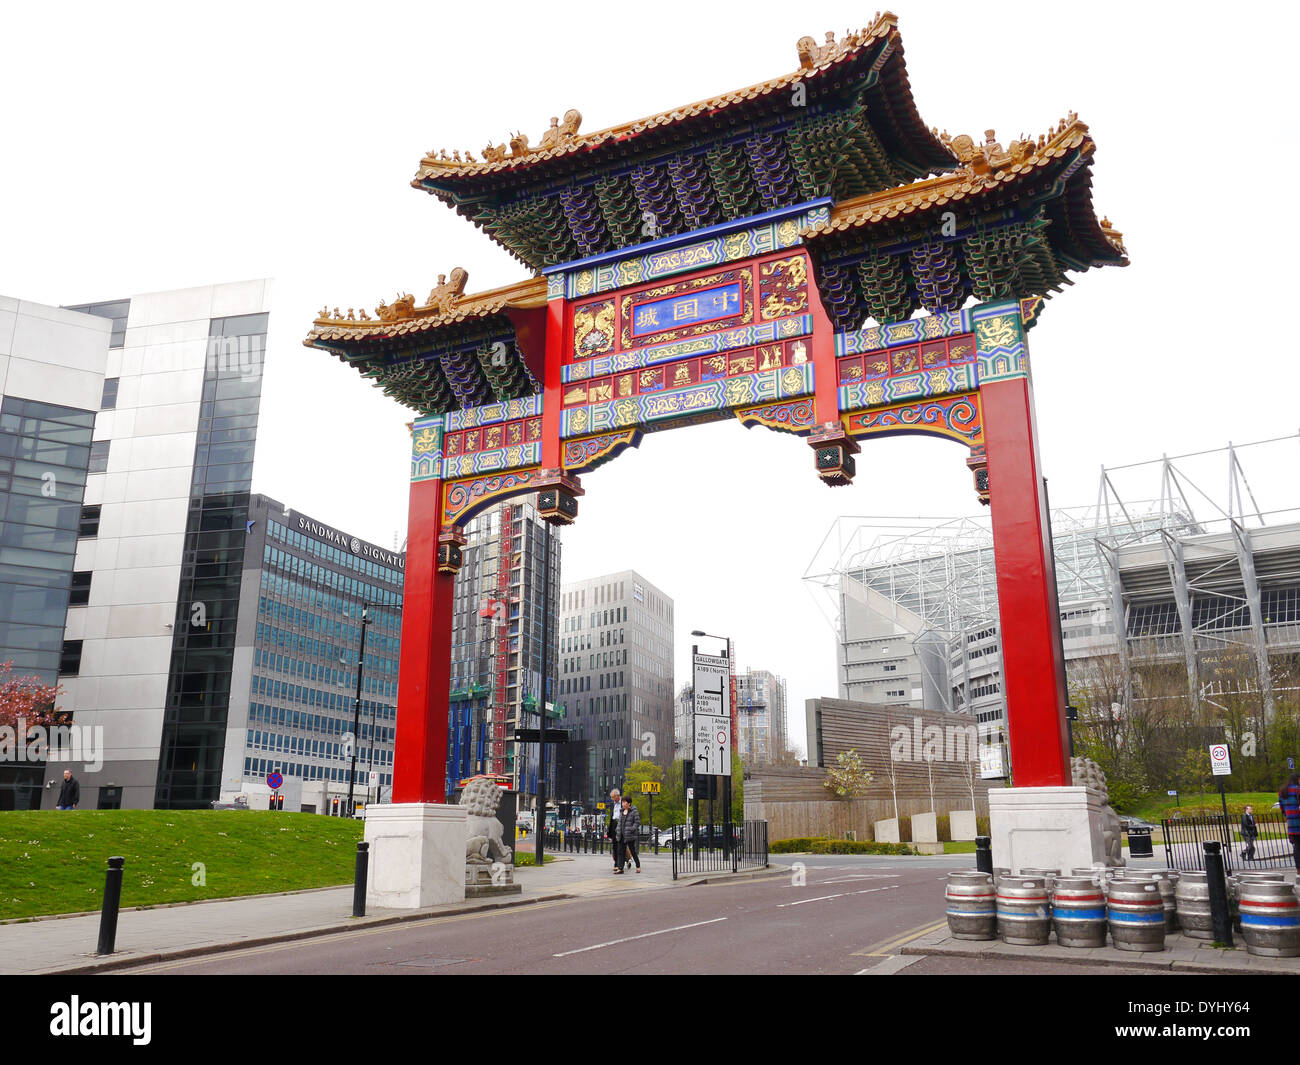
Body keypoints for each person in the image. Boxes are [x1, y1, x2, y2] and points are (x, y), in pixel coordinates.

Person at [1279, 774, 1300, 872]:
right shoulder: (1298, 789)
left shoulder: (1282, 792)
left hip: (1291, 824)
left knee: (1297, 846)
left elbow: (1282, 808)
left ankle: (1298, 869)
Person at [616, 795, 641, 873]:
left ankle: (638, 865)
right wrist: (617, 831)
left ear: (629, 803)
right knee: (621, 851)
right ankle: (620, 868)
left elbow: (637, 822)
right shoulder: (621, 811)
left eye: (625, 802)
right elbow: (619, 823)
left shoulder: (634, 811)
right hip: (621, 835)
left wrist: (632, 829)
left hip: (630, 835)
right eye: (622, 802)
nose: (623, 804)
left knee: (632, 851)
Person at [606, 788, 622, 872]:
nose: (612, 799)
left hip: (621, 824)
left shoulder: (623, 803)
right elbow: (612, 818)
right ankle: (616, 863)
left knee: (621, 846)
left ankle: (621, 863)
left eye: (613, 797)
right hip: (614, 825)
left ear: (617, 796)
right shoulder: (613, 804)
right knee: (615, 845)